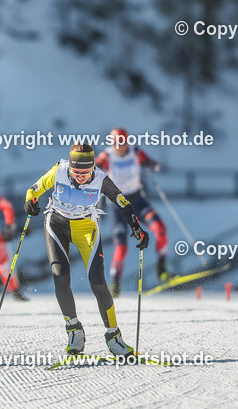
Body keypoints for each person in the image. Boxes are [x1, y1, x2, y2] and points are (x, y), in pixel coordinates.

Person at [25, 142, 149, 356]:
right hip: (56, 225)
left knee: (98, 283)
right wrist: (30, 201)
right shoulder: (59, 170)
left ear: (93, 167)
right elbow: (34, 189)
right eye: (76, 172)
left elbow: (122, 202)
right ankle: (74, 330)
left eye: (86, 172)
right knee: (60, 276)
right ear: (70, 168)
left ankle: (114, 337)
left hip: (86, 228)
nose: (81, 177)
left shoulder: (101, 179)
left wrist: (136, 227)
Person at [95, 127, 169, 296]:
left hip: (137, 201)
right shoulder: (106, 156)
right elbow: (91, 169)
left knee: (160, 228)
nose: (119, 147)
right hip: (118, 204)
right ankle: (115, 283)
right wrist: (96, 170)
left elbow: (156, 167)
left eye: (121, 143)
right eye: (115, 143)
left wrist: (147, 164)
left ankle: (162, 269)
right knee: (121, 247)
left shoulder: (136, 152)